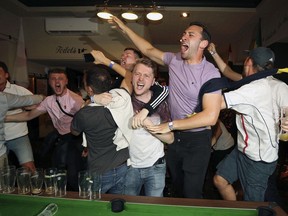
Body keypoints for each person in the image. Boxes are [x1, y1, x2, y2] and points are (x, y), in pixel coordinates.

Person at [109, 16, 222, 198]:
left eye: (190, 35)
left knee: (192, 192)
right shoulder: (175, 60)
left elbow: (210, 116)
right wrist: (124, 27)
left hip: (197, 139)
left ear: (203, 44)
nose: (183, 37)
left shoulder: (210, 73)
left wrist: (170, 125)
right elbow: (147, 49)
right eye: (183, 34)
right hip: (175, 139)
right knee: (177, 187)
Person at [211, 47, 288, 201]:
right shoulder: (249, 82)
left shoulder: (275, 87)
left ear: (249, 62)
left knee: (260, 200)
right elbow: (227, 72)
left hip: (260, 156)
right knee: (220, 180)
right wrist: (213, 52)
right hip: (244, 149)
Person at [5, 68, 85, 191]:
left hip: (75, 140)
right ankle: (58, 197)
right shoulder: (49, 101)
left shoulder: (76, 100)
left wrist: (88, 145)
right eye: (53, 79)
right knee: (56, 171)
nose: (56, 81)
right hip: (61, 138)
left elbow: (88, 124)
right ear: (49, 82)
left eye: (60, 78)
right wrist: (4, 118)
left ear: (66, 81)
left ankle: (77, 200)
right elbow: (28, 115)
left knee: (74, 175)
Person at [70, 65, 132, 194]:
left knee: (92, 207)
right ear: (109, 83)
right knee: (117, 206)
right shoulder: (123, 99)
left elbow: (74, 131)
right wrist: (106, 61)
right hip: (123, 167)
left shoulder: (84, 114)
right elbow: (129, 76)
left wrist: (90, 100)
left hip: (99, 171)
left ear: (89, 89)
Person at [91, 47, 169, 128]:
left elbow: (164, 91)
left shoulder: (146, 82)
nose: (123, 57)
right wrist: (94, 98)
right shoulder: (119, 82)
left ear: (137, 61)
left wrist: (145, 111)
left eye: (127, 55)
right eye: (122, 55)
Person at [0, 61, 36, 171]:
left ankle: (32, 187)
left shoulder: (18, 90)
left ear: (6, 75)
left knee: (29, 168)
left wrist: (25, 107)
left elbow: (37, 105)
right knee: (2, 171)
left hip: (18, 136)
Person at [0, 92, 44, 168]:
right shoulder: (3, 97)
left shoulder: (6, 95)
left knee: (29, 168)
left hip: (18, 136)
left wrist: (45, 98)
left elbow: (30, 101)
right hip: (2, 145)